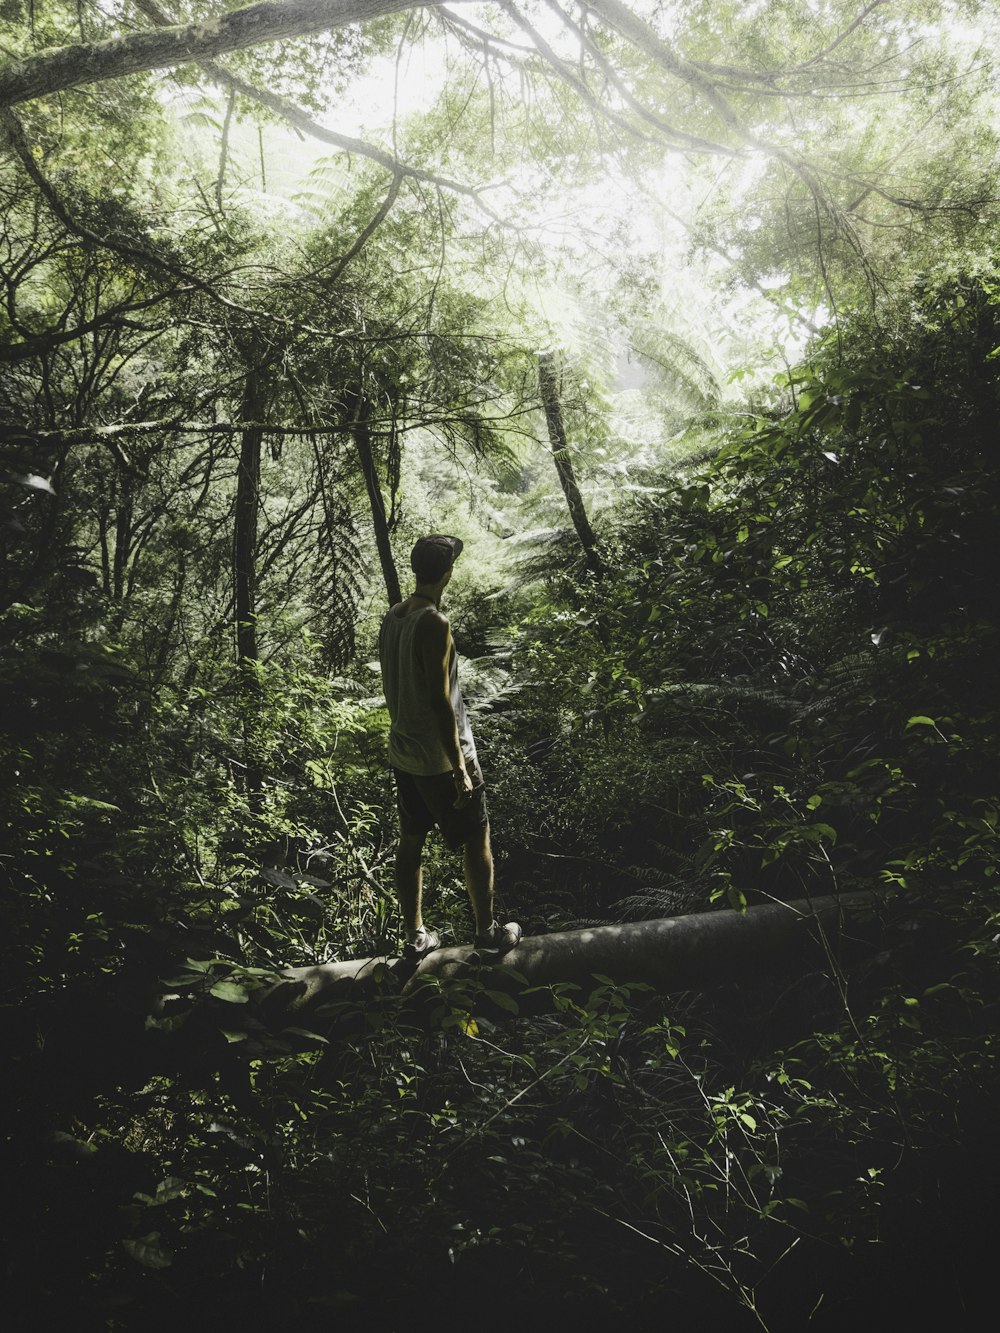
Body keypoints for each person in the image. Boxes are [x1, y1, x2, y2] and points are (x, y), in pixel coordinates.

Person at [378, 534, 521, 960]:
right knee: (478, 838)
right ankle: (486, 934)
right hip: (441, 756)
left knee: (411, 839)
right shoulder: (434, 622)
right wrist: (459, 767)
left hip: (404, 753)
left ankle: (416, 935)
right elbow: (441, 701)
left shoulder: (394, 616)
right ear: (447, 573)